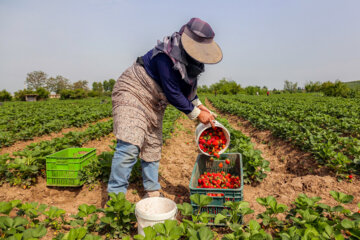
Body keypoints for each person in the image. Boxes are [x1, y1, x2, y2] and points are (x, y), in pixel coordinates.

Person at [107, 18, 223, 198]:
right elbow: (173, 92)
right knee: (130, 143)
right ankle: (115, 196)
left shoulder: (193, 63)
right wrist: (197, 114)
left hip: (155, 101)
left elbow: (187, 91)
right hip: (135, 90)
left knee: (153, 143)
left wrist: (201, 106)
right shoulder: (166, 55)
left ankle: (152, 189)